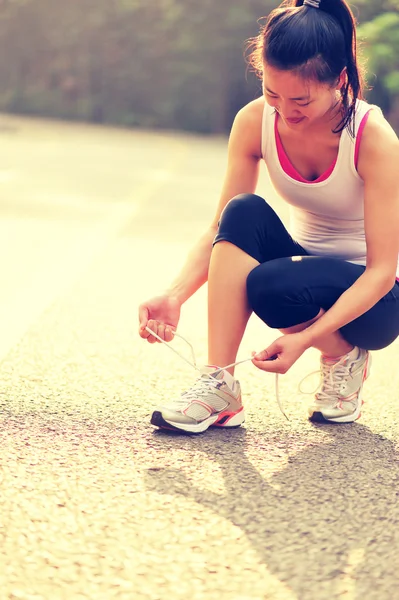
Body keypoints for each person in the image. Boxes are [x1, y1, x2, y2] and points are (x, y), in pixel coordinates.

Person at [138, 0, 399, 433]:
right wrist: (175, 295)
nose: (285, 111)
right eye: (272, 93)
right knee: (240, 212)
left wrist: (305, 340)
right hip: (300, 280)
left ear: (337, 80)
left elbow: (381, 271)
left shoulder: (372, 139)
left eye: (300, 100)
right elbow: (221, 229)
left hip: (377, 302)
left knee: (272, 284)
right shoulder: (254, 122)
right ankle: (219, 385)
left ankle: (345, 356)